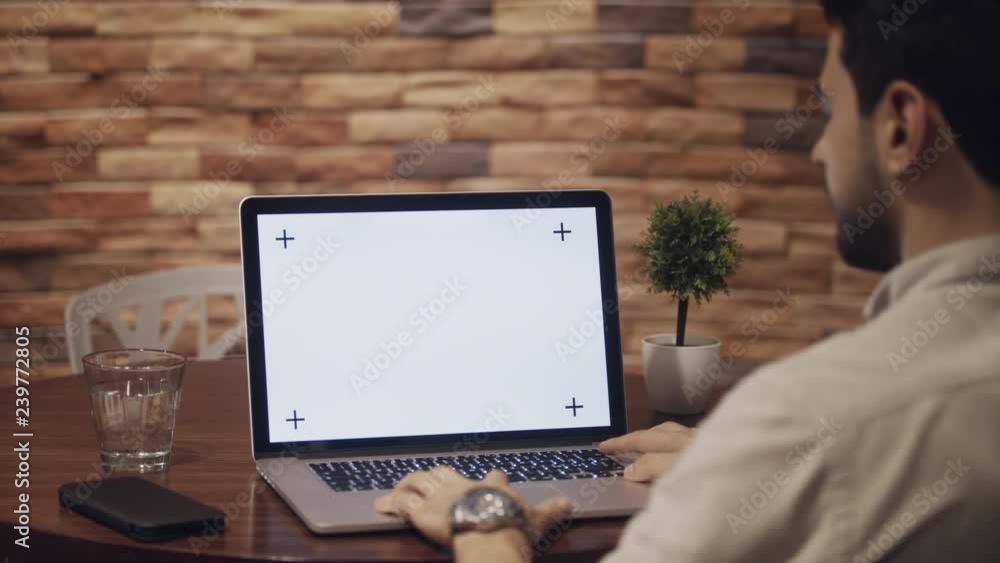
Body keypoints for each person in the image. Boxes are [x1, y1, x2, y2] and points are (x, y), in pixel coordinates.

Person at [374, 1, 1000, 561]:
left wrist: (485, 524)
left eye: (829, 111)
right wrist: (742, 464)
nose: (818, 153)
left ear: (900, 128)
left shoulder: (812, 417)